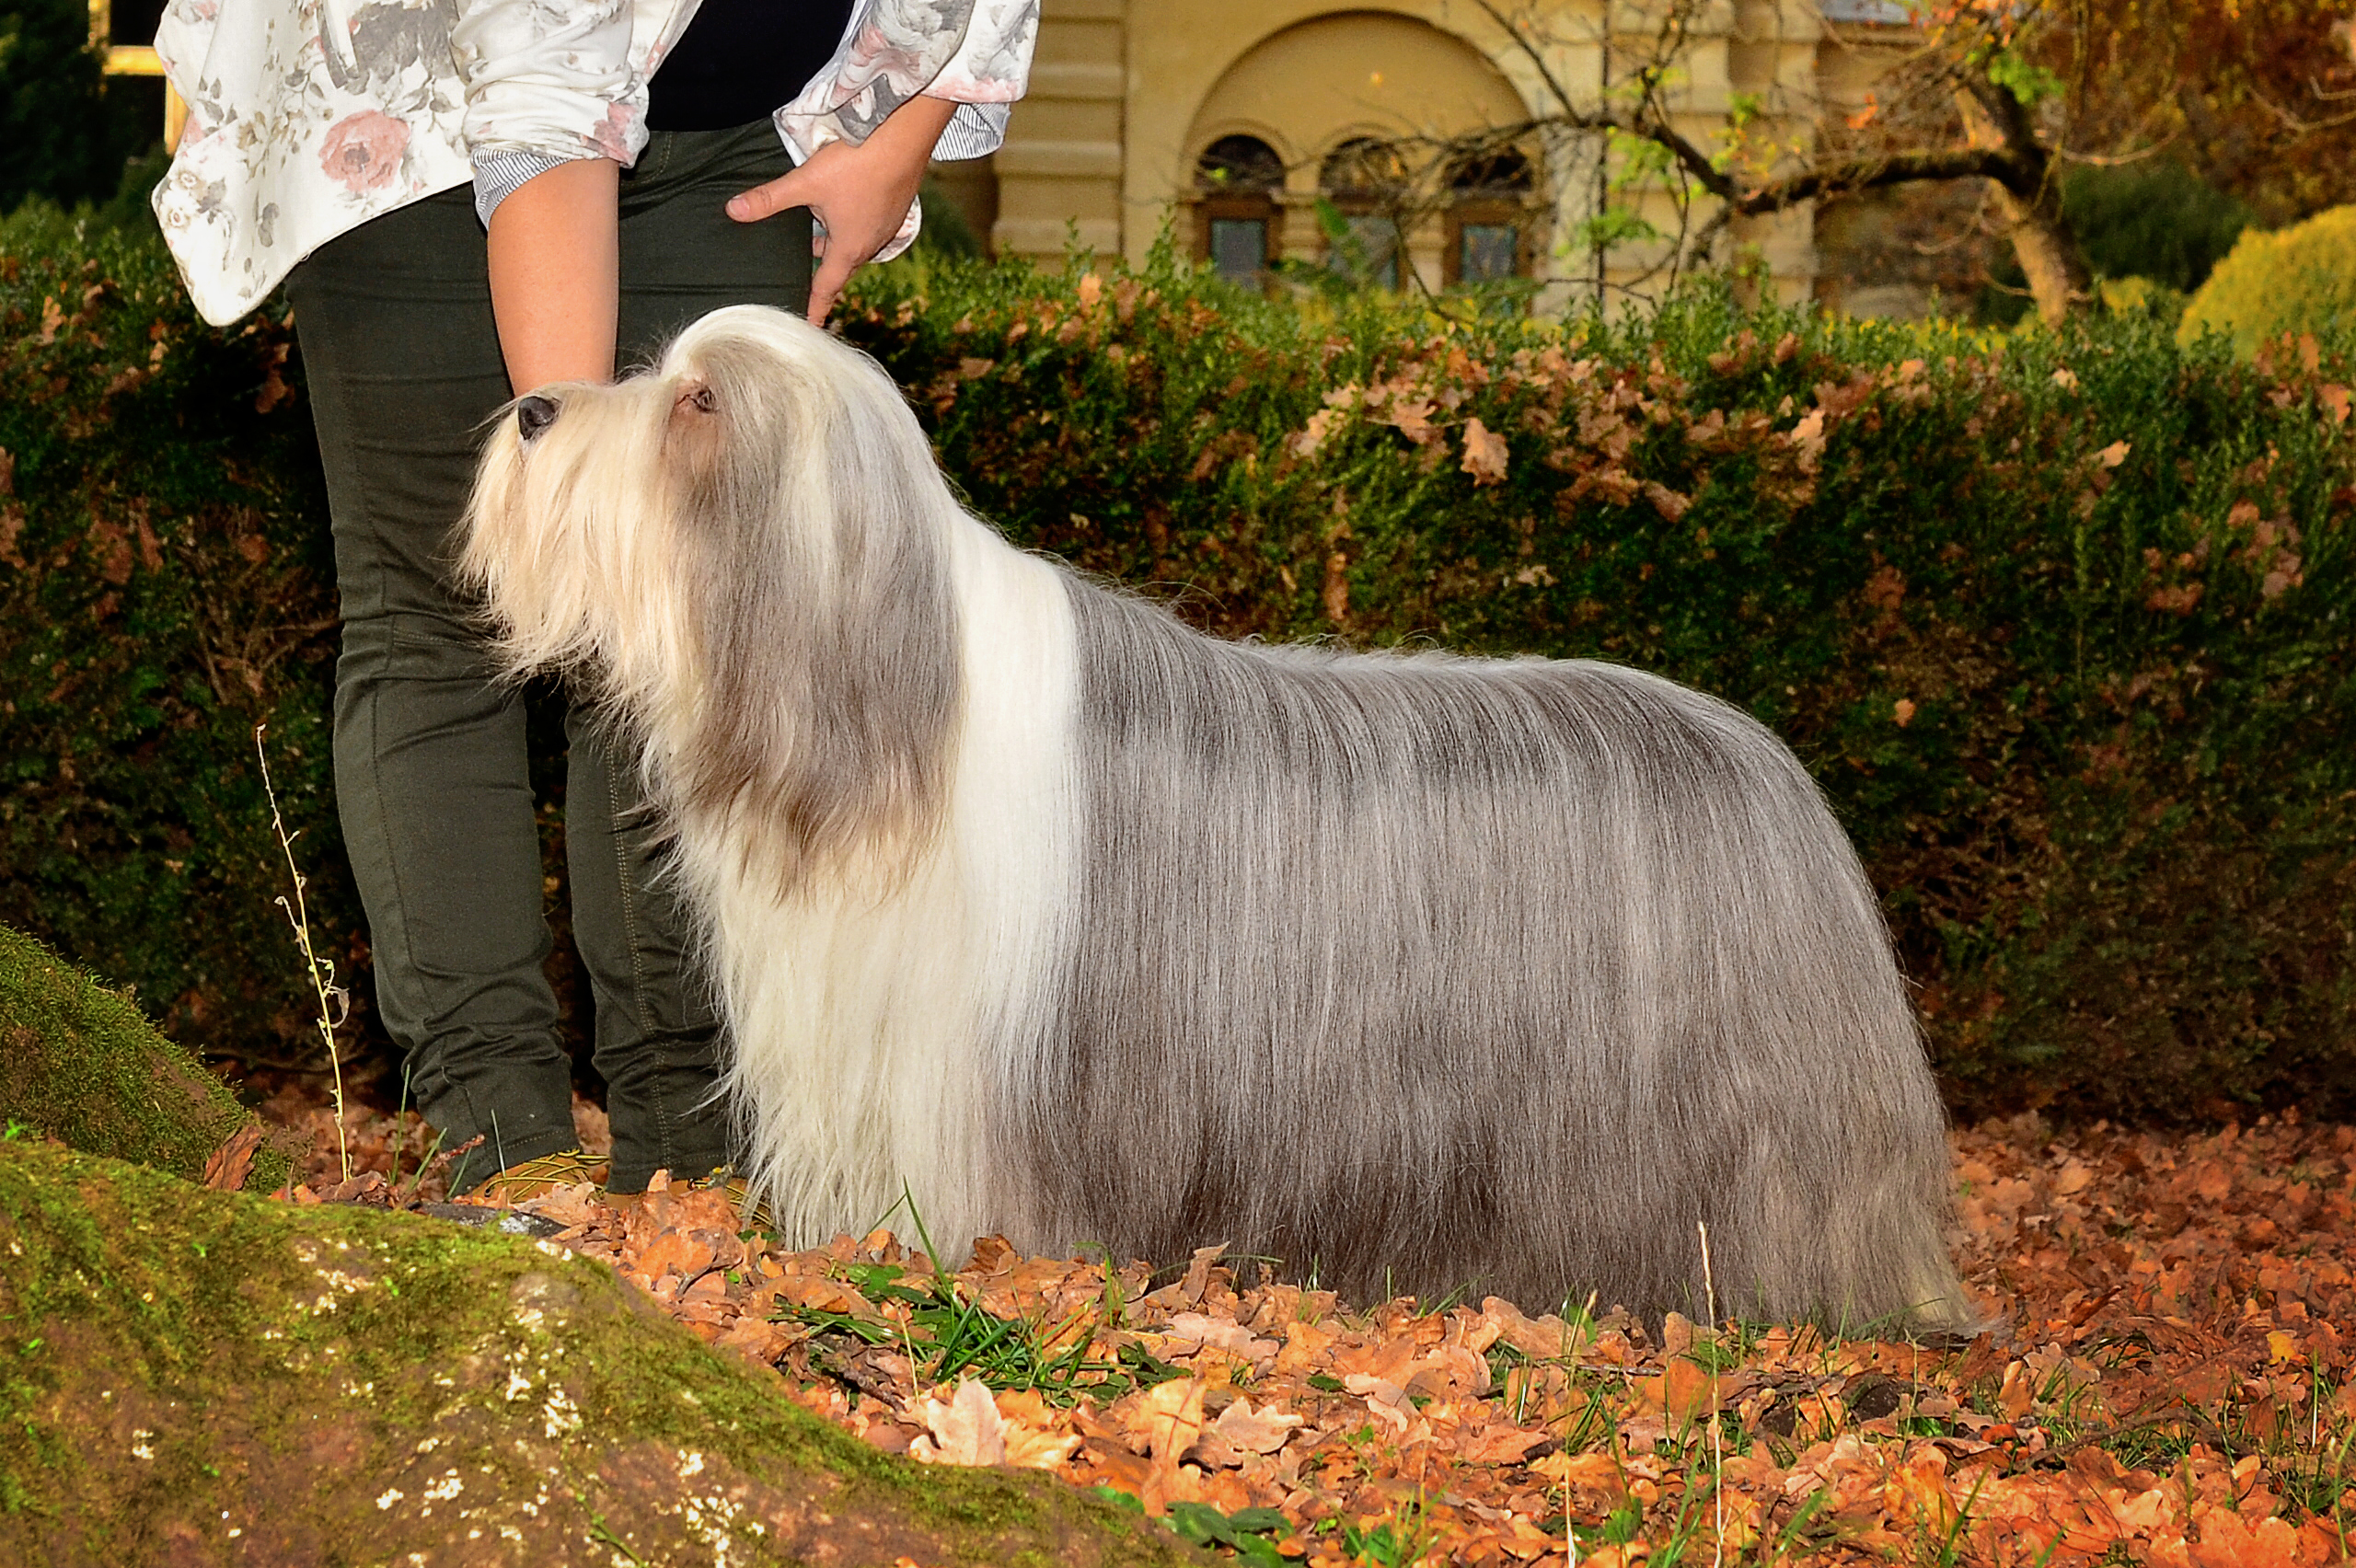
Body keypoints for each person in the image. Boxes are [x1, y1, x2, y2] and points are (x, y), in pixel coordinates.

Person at [149, 0, 1038, 1198]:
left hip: (734, 137)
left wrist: (908, 136)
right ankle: (503, 1145)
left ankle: (692, 1147)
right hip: (430, 111)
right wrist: (569, 452)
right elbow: (540, 93)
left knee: (700, 634)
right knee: (448, 621)